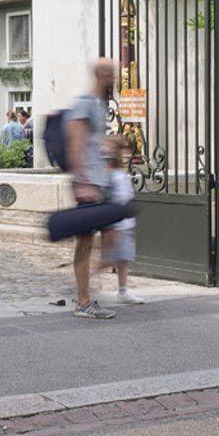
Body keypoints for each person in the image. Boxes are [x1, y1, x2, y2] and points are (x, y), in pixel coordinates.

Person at [65, 58, 117, 319]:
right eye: (111, 74)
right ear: (101, 75)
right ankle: (83, 301)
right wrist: (82, 181)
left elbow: (93, 142)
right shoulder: (85, 103)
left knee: (112, 233)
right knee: (85, 242)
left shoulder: (99, 103)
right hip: (88, 184)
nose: (114, 78)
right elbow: (75, 143)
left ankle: (90, 283)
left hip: (100, 182)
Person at [99, 135, 145, 305]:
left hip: (124, 222)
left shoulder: (117, 171)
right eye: (124, 149)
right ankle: (84, 288)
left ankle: (122, 290)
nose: (127, 153)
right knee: (108, 260)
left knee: (122, 259)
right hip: (117, 223)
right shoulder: (111, 173)